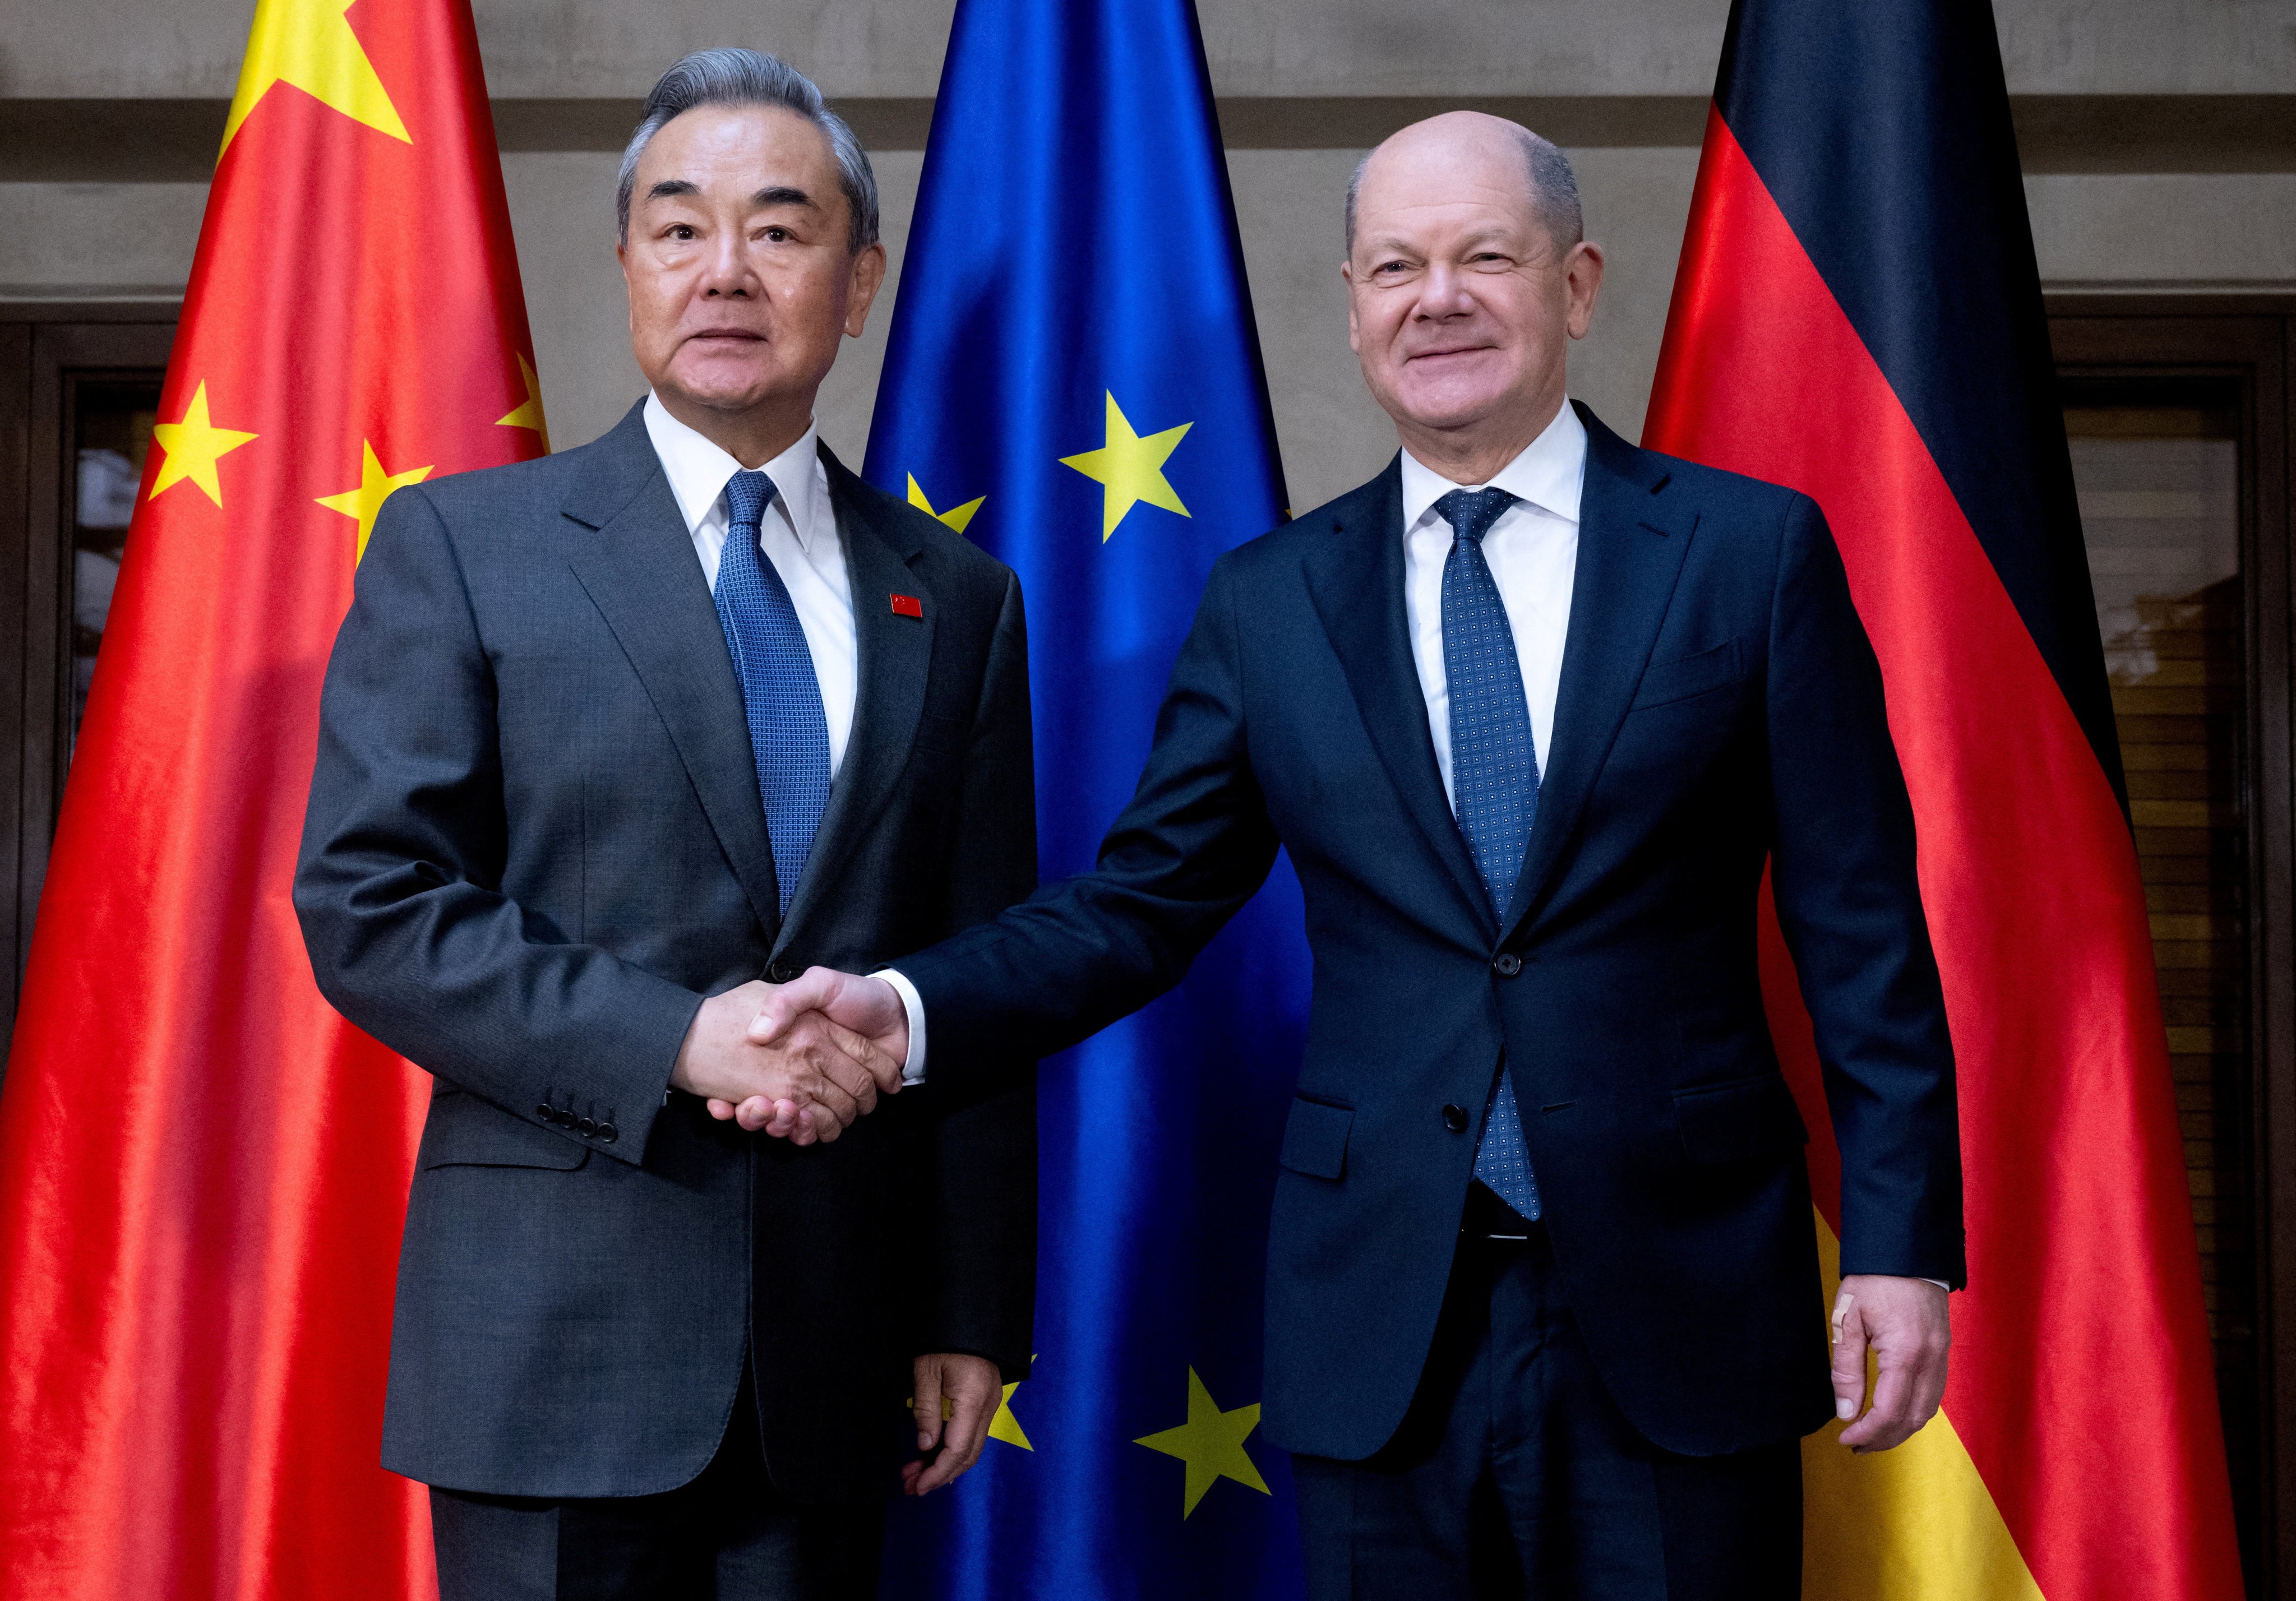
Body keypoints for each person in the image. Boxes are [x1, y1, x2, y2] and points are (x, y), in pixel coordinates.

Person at [751, 112, 1962, 1598]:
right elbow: (1140, 904)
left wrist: (1904, 1245)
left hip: (1683, 1296)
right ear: (1352, 304)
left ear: (1576, 285)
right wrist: (909, 1009)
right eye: (1394, 266)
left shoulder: (1748, 554)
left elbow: (1862, 926)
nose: (1434, 299)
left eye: (1483, 258)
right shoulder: (1271, 601)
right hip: (1382, 1315)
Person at [294, 49, 1037, 1601]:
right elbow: (373, 902)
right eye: (680, 226)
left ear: (861, 281)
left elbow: (978, 965)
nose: (727, 270)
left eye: (781, 228)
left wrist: (972, 1301)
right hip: (552, 1352)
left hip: (840, 1353)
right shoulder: (467, 545)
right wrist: (675, 1042)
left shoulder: (956, 600)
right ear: (629, 265)